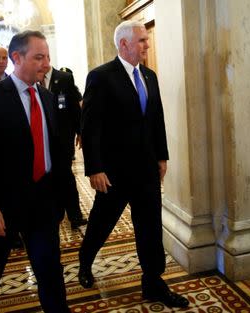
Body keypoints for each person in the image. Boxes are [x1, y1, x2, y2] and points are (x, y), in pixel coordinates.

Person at [78, 21, 189, 308]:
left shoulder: (150, 76)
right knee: (101, 224)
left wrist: (162, 156)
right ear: (124, 44)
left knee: (150, 227)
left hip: (146, 171)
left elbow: (156, 119)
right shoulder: (101, 77)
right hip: (113, 173)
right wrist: (95, 168)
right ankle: (85, 261)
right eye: (141, 40)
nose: (147, 45)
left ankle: (153, 282)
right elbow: (91, 127)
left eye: (146, 40)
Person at [0, 31, 70, 313]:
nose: (46, 64)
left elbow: (55, 152)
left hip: (43, 202)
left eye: (47, 57)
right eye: (38, 57)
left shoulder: (47, 97)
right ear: (16, 58)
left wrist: (62, 199)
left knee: (49, 269)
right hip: (2, 204)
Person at [41, 66, 87, 229]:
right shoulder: (31, 77)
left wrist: (79, 132)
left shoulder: (64, 78)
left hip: (63, 138)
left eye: (45, 56)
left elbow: (74, 107)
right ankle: (51, 212)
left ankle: (74, 215)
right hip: (41, 138)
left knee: (65, 175)